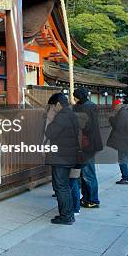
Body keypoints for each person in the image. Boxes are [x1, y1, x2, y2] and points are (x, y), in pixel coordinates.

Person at [45, 92, 80, 225]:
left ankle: (66, 216)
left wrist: (50, 119)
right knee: (64, 186)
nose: (52, 109)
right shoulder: (71, 114)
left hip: (61, 157)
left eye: (53, 107)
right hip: (68, 155)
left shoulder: (61, 117)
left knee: (61, 187)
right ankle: (68, 214)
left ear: (58, 104)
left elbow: (50, 133)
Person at [73, 87, 103, 208]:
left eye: (75, 96)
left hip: (87, 145)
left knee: (88, 173)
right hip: (92, 143)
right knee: (85, 172)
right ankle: (86, 198)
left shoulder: (84, 108)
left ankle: (93, 199)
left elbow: (85, 127)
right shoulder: (91, 105)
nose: (73, 98)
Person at [107, 99, 128, 184]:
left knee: (122, 158)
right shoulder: (124, 112)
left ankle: (126, 178)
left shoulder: (122, 113)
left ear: (118, 105)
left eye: (114, 106)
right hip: (126, 139)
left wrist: (111, 118)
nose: (114, 108)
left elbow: (117, 126)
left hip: (123, 140)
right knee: (125, 157)